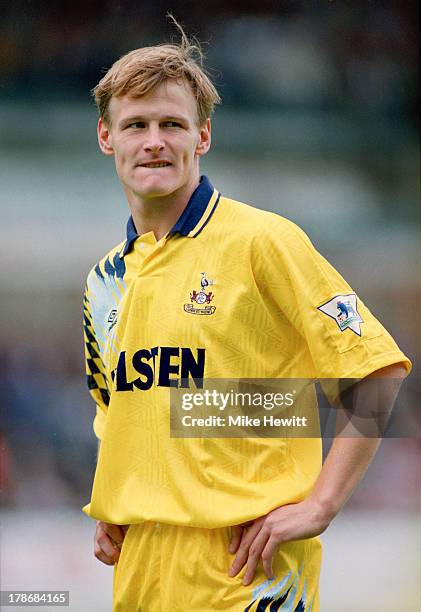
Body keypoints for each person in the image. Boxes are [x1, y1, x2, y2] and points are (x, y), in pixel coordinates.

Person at [82, 22, 411, 612]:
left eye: (172, 124)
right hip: (141, 573)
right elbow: (118, 409)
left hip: (249, 573)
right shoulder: (104, 280)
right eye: (136, 125)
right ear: (107, 138)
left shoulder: (264, 241)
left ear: (202, 136)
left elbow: (376, 372)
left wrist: (321, 505)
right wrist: (114, 500)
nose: (154, 141)